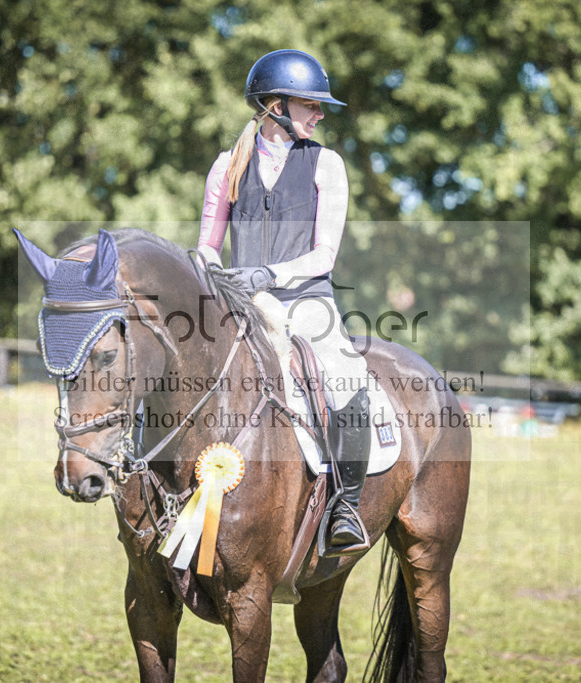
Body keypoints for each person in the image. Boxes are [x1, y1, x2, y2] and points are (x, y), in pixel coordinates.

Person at [196, 49, 371, 556]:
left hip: (305, 299)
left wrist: (270, 273)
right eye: (310, 104)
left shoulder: (327, 165)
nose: (319, 114)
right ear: (275, 105)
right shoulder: (227, 165)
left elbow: (324, 254)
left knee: (347, 378)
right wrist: (210, 271)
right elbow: (208, 244)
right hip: (240, 302)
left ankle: (346, 507)